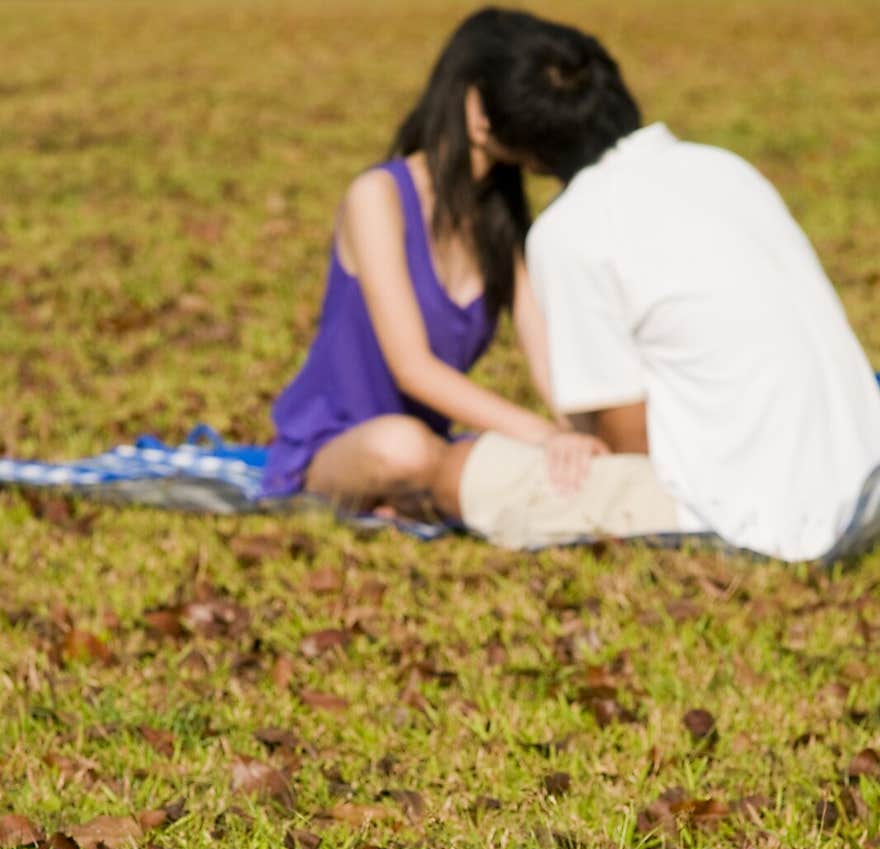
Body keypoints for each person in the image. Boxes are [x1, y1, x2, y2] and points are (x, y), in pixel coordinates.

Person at [440, 8, 880, 563]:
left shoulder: (572, 228)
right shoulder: (720, 165)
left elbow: (627, 443)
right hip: (860, 463)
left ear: (506, 133)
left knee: (456, 472)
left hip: (772, 512)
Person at [258, 7, 607, 522]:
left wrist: (583, 439)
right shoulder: (377, 197)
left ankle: (425, 495)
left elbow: (546, 360)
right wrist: (544, 436)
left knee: (442, 455)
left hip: (432, 448)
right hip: (340, 448)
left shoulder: (503, 224)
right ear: (475, 106)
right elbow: (413, 368)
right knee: (405, 448)